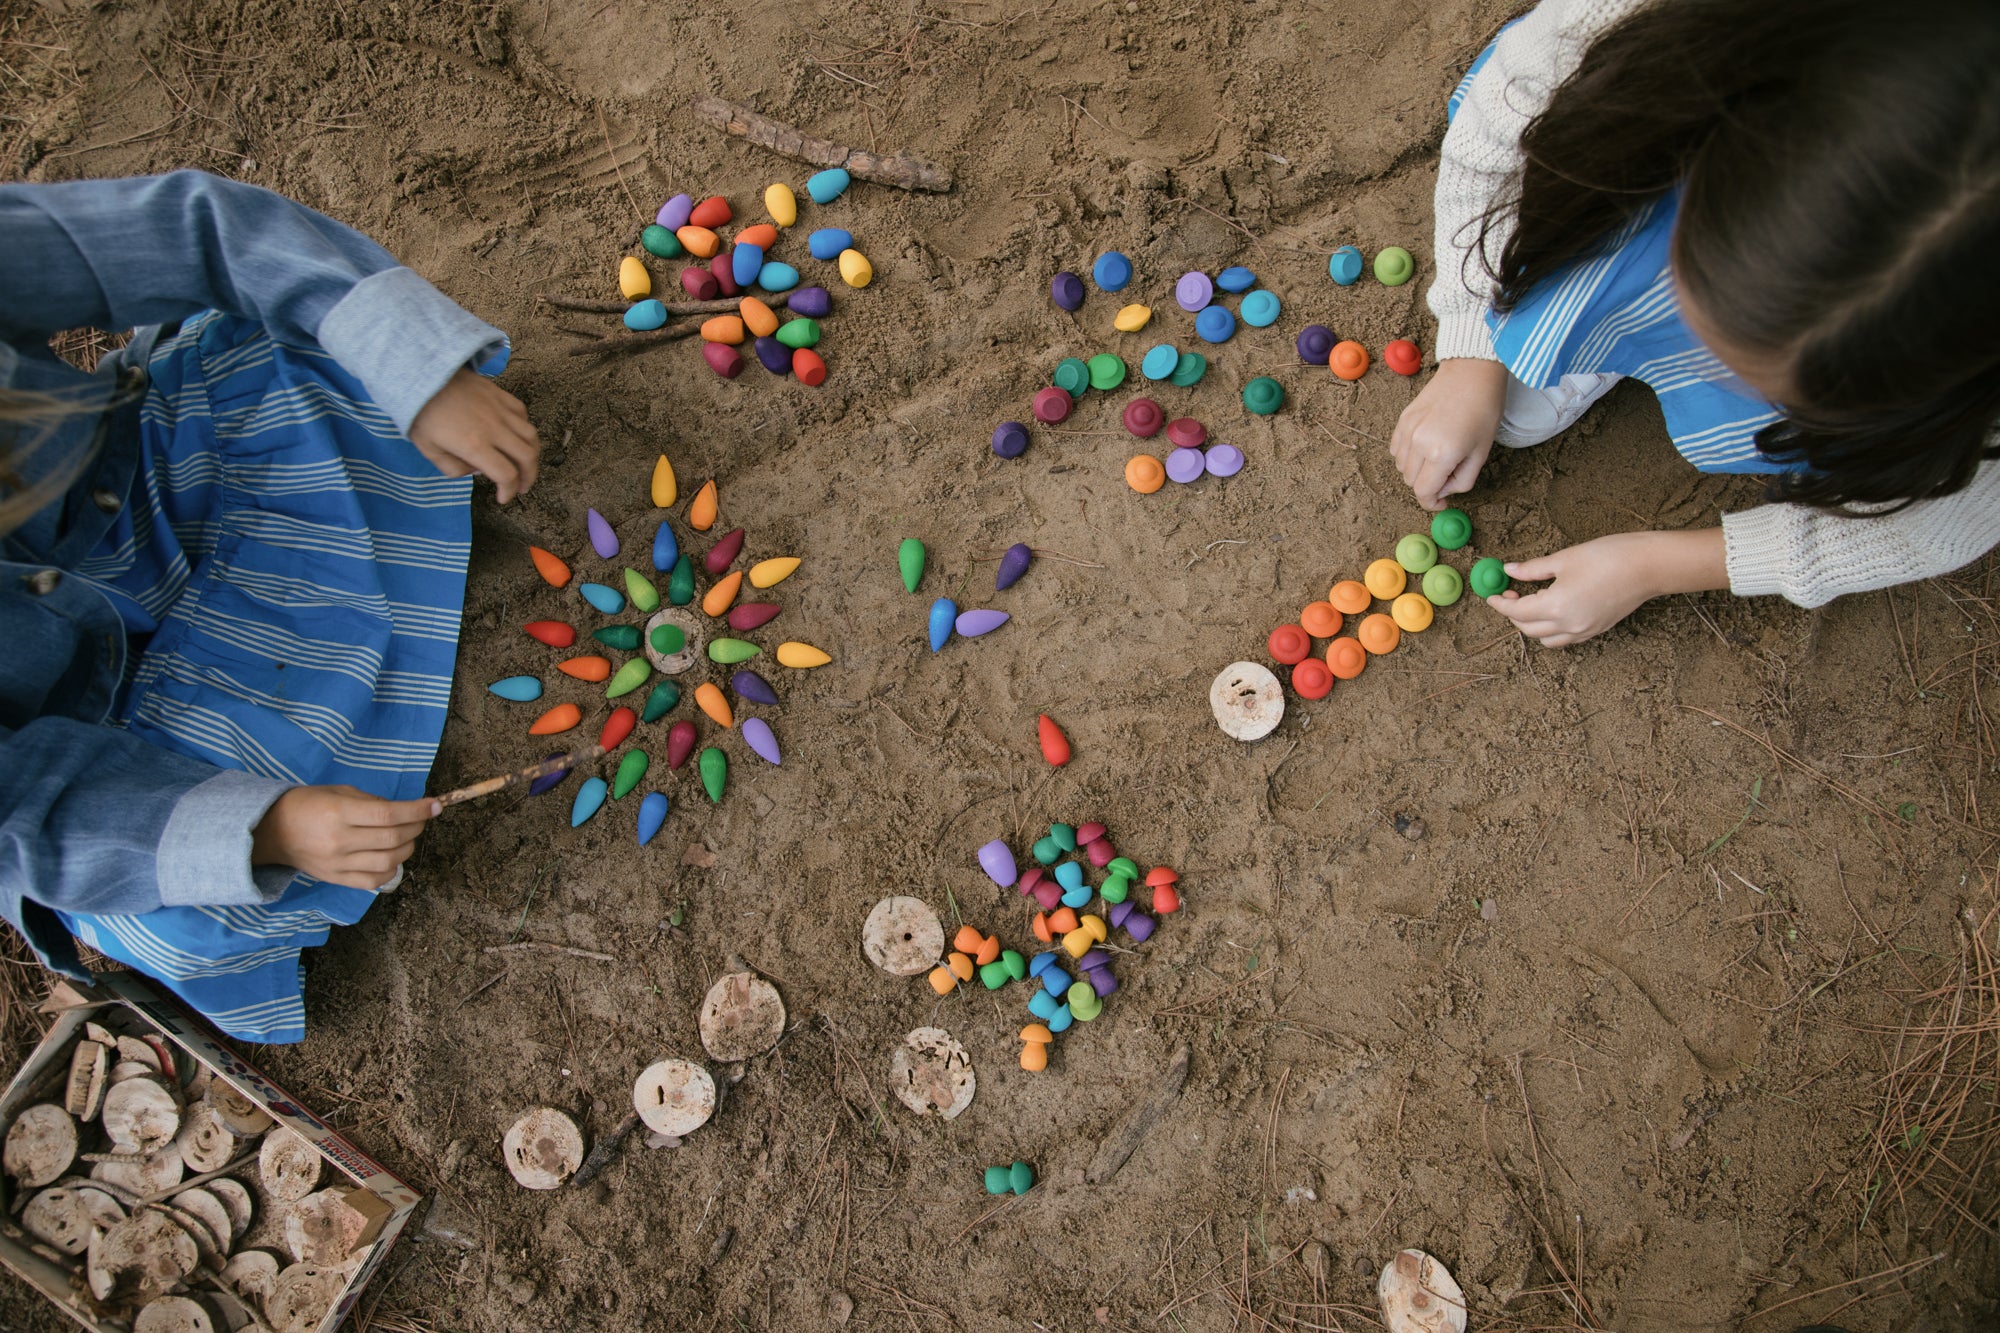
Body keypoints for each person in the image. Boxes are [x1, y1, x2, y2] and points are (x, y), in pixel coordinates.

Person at [0, 170, 541, 1041]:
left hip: (159, 484)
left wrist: (416, 375)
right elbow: (28, 815)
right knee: (178, 923)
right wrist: (266, 829)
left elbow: (196, 230)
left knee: (319, 346)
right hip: (114, 745)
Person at [1392, 0, 2000, 646]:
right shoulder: (1648, 29)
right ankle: (1615, 322)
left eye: (1749, 376)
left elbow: (1934, 524)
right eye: (1697, 297)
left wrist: (1651, 566)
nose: (1721, 365)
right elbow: (1497, 125)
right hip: (1642, 159)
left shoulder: (1961, 413)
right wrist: (1470, 350)